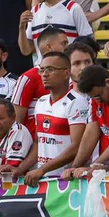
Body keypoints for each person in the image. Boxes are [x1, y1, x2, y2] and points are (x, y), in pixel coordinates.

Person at [17, 51, 88, 184]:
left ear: (66, 73)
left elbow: (78, 146)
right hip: (43, 179)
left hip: (68, 180)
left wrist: (43, 169)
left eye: (50, 69)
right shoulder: (41, 102)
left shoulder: (76, 102)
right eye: (42, 70)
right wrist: (21, 168)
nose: (44, 74)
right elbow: (39, 142)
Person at [18, 0, 93, 61]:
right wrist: (21, 28)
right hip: (43, 71)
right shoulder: (35, 11)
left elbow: (87, 43)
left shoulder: (73, 8)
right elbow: (26, 51)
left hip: (67, 69)